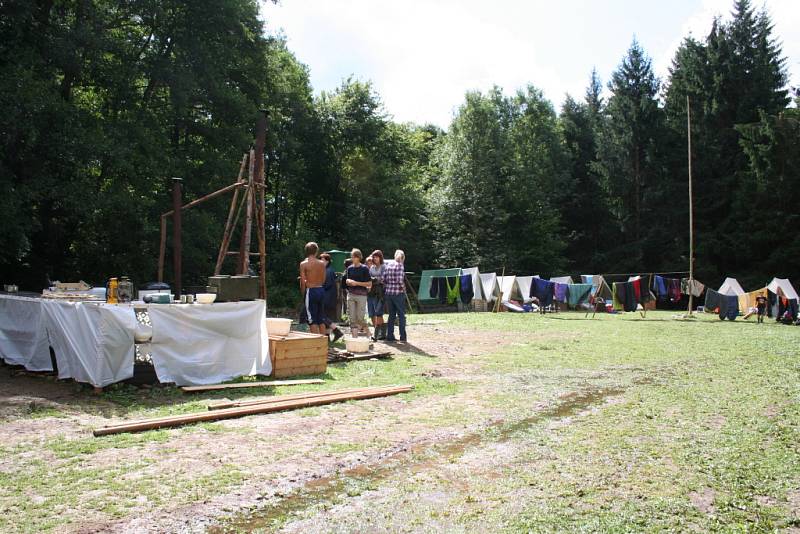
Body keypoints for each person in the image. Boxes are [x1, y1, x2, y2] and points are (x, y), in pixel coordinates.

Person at [299, 242, 327, 335]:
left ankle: (316, 343)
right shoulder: (322, 263)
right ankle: (323, 342)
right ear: (316, 251)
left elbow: (303, 282)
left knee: (312, 319)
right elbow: (323, 280)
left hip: (310, 291)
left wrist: (303, 293)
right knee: (321, 318)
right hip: (321, 290)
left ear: (306, 251)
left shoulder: (303, 264)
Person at [345, 249, 372, 337]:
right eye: (351, 256)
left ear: (358, 257)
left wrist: (356, 283)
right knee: (352, 319)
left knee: (360, 318)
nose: (352, 258)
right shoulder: (349, 268)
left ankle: (368, 333)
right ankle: (354, 339)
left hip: (361, 295)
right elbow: (348, 281)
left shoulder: (364, 268)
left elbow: (369, 283)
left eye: (353, 256)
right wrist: (348, 281)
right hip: (351, 294)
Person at [383, 249, 407, 342]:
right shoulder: (400, 266)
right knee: (401, 315)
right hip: (398, 293)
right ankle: (403, 336)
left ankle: (390, 336)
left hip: (388, 293)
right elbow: (400, 280)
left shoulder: (388, 265)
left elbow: (383, 279)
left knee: (391, 315)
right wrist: (404, 289)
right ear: (403, 257)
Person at [321, 253, 344, 342]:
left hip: (327, 297)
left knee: (322, 316)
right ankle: (327, 338)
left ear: (327, 261)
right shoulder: (329, 270)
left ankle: (337, 331)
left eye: (322, 260)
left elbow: (325, 285)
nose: (320, 261)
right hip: (330, 297)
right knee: (327, 316)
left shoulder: (328, 271)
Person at [368, 250, 386, 341]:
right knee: (375, 313)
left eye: (377, 257)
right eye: (374, 257)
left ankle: (377, 334)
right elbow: (369, 279)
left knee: (379, 312)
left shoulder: (383, 267)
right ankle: (382, 334)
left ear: (380, 257)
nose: (375, 259)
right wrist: (374, 280)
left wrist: (375, 280)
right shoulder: (371, 267)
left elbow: (383, 279)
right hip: (373, 292)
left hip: (381, 293)